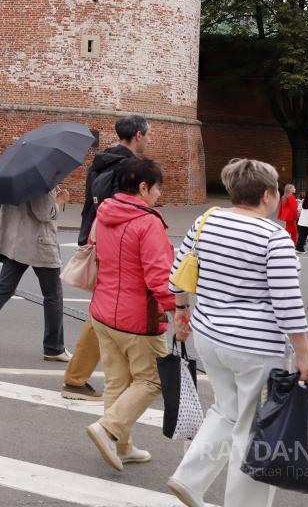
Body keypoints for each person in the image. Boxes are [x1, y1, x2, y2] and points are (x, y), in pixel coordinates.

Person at [166, 158, 308, 507]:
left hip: (209, 335)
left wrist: (181, 312)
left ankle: (190, 478)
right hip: (255, 347)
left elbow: (178, 273)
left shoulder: (206, 221)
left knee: (226, 410)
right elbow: (288, 303)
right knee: (256, 430)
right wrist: (305, 356)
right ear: (267, 194)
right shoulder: (274, 237)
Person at [83, 157, 174, 472]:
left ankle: (121, 446)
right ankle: (109, 428)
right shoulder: (147, 222)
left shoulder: (104, 213)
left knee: (117, 381)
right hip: (138, 318)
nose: (159, 196)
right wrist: (179, 310)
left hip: (103, 312)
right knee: (152, 380)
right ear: (144, 186)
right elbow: (159, 278)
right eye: (158, 189)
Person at [62, 115, 148, 402]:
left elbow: (91, 204)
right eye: (147, 135)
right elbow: (127, 209)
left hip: (97, 239)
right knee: (111, 311)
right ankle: (78, 378)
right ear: (138, 134)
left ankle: (135, 376)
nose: (148, 140)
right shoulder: (130, 167)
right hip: (119, 246)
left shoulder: (100, 161)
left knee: (107, 309)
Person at [0, 184, 70, 361]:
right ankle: (54, 348)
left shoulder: (14, 178)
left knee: (3, 289)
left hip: (16, 243)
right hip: (40, 243)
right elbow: (44, 213)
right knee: (53, 295)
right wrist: (59, 201)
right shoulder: (41, 182)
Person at [276, 182, 299, 247]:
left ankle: (292, 243)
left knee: (292, 230)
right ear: (290, 189)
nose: (295, 189)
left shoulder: (284, 197)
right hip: (291, 216)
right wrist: (296, 216)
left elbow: (281, 207)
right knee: (292, 230)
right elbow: (294, 208)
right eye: (293, 188)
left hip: (287, 216)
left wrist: (282, 214)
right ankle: (292, 243)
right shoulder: (291, 197)